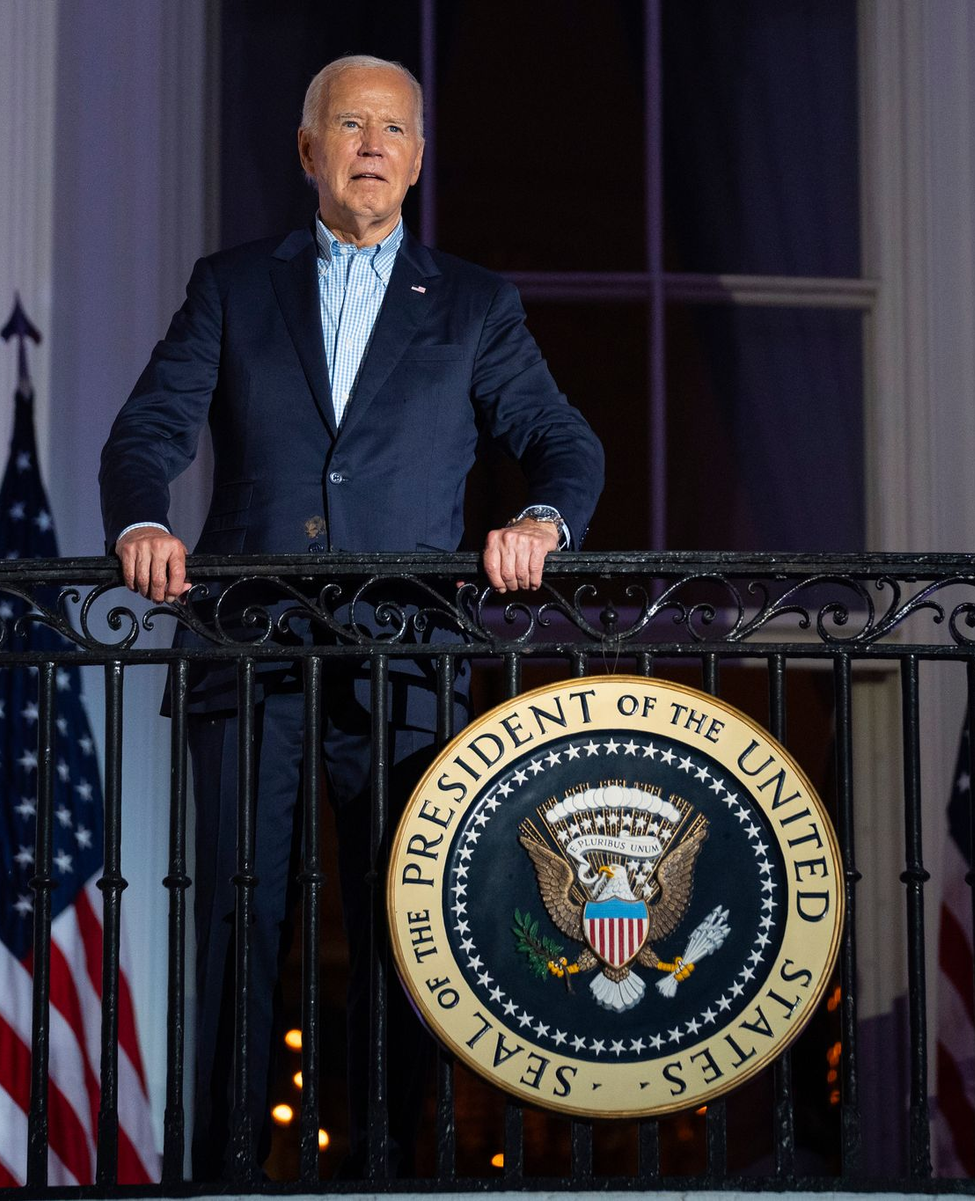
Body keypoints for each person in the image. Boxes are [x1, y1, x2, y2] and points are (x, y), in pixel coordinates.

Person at [98, 54, 604, 1178]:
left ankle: (390, 1169)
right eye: (349, 124)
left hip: (405, 660)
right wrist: (142, 521)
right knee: (237, 921)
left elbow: (564, 442)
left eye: (392, 128)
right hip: (246, 647)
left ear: (418, 158)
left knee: (408, 931)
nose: (370, 144)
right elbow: (147, 434)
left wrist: (538, 521)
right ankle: (224, 1168)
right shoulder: (231, 284)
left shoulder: (474, 303)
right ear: (308, 149)